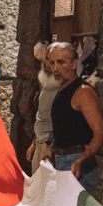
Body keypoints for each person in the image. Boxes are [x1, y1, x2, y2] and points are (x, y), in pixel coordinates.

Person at [48, 42, 103, 192]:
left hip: (77, 164)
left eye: (61, 62)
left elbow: (100, 134)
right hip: (62, 161)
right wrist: (52, 148)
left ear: (74, 64)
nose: (55, 68)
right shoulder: (61, 90)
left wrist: (81, 159)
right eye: (52, 63)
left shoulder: (83, 92)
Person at [25, 42, 59, 174]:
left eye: (50, 61)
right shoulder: (46, 85)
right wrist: (34, 143)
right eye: (44, 61)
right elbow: (42, 116)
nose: (45, 65)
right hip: (41, 142)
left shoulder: (60, 89)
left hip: (48, 144)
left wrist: (50, 145)